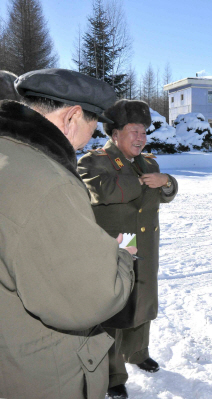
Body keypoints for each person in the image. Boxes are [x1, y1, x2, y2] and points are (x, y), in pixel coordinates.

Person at [0, 68, 135, 399]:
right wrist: (122, 259)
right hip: (39, 374)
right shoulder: (48, 181)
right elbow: (89, 298)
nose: (88, 140)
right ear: (73, 116)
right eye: (91, 128)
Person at [78, 99, 178, 399]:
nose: (140, 137)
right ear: (115, 133)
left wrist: (167, 182)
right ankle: (112, 374)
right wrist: (145, 183)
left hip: (145, 242)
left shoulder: (149, 162)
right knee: (113, 308)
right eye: (133, 131)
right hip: (116, 244)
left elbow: (165, 194)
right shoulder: (93, 160)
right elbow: (104, 191)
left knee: (141, 299)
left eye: (144, 132)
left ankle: (137, 352)